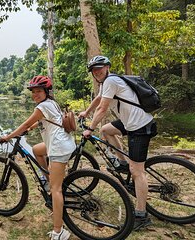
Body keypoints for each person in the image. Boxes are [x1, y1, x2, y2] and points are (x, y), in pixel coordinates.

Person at [78, 55, 157, 231]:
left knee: (137, 172)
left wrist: (90, 128)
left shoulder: (111, 81)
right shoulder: (106, 83)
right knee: (105, 130)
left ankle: (141, 215)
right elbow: (98, 99)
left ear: (107, 67)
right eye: (93, 70)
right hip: (131, 123)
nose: (97, 72)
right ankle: (122, 161)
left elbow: (103, 108)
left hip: (140, 127)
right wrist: (86, 111)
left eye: (100, 68)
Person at [0, 75, 75, 240]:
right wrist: (30, 129)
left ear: (46, 91)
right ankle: (48, 180)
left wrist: (8, 137)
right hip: (64, 142)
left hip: (58, 148)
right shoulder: (51, 103)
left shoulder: (42, 107)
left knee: (57, 190)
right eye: (33, 92)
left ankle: (58, 231)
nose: (35, 95)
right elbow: (41, 121)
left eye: (39, 91)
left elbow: (25, 123)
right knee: (36, 149)